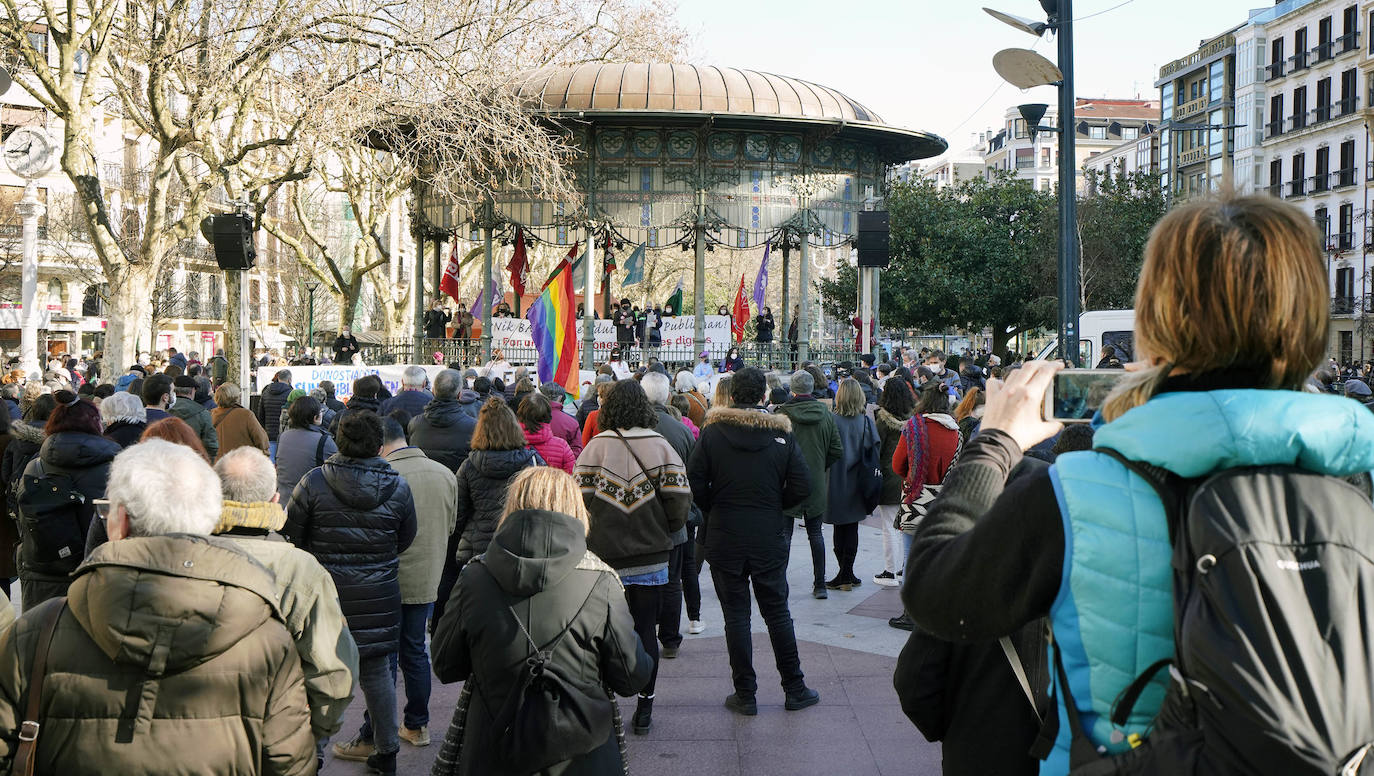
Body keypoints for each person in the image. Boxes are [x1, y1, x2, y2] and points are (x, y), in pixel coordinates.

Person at [904, 196, 1374, 774]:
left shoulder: (1075, 493)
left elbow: (935, 594)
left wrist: (996, 439)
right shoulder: (1359, 478)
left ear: (1156, 325)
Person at [0, 440, 317, 774]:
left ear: (118, 522)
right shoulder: (267, 639)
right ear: (208, 519)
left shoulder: (37, 632)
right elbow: (290, 763)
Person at [431, 467, 652, 776]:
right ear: (576, 510)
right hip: (584, 754)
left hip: (492, 748)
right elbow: (632, 677)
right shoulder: (601, 581)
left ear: (511, 508)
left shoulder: (474, 576)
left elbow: (445, 664)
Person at [284, 410, 417, 776]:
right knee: (377, 675)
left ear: (338, 440)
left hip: (325, 595)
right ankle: (386, 751)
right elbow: (405, 537)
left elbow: (293, 533)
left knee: (318, 673)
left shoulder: (313, 482)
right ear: (378, 444)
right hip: (379, 594)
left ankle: (314, 753)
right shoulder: (398, 486)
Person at [212, 448, 359, 765]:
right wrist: (314, 734)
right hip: (277, 738)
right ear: (275, 499)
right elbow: (333, 673)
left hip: (200, 742)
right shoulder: (301, 569)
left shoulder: (184, 553)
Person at [687, 367, 819, 716]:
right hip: (767, 533)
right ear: (763, 396)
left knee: (736, 616)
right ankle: (794, 687)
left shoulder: (713, 433)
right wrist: (776, 505)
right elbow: (803, 485)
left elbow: (694, 481)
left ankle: (745, 693)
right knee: (777, 612)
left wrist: (715, 505)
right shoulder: (780, 433)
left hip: (725, 532)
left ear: (732, 396)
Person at [575, 378, 691, 735]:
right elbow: (680, 501)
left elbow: (578, 500)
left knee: (599, 633)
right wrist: (663, 528)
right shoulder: (661, 446)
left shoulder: (595, 446)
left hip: (603, 559)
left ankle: (603, 703)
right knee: (645, 631)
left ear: (608, 408)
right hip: (651, 556)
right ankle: (645, 706)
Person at [365, 417, 457, 749]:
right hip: (427, 577)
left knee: (385, 657)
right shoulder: (445, 474)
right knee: (416, 650)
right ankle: (418, 725)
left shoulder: (382, 474)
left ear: (380, 445)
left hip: (386, 578)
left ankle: (378, 732)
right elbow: (450, 526)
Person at [436, 398, 542, 630]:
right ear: (514, 427)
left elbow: (457, 515)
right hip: (520, 547)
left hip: (478, 551)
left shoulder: (469, 466)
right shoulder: (532, 462)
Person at [15, 391, 120, 606]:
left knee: (44, 627)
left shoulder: (34, 466)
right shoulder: (115, 469)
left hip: (42, 572)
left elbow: (23, 518)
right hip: (95, 574)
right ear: (95, 425)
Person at [887, 380, 962, 630]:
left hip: (916, 501)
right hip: (944, 504)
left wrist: (915, 478)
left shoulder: (914, 427)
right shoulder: (956, 431)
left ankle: (910, 613)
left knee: (911, 557)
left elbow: (897, 465)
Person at [641, 372, 703, 652]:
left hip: (639, 512)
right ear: (667, 395)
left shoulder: (632, 428)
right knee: (673, 578)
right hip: (677, 514)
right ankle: (669, 638)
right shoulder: (681, 430)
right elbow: (693, 474)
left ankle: (643, 634)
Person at [773, 369, 842, 599]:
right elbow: (836, 449)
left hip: (788, 481)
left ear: (792, 390)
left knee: (785, 534)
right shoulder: (825, 414)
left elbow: (774, 450)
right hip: (815, 481)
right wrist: (820, 466)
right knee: (815, 533)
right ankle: (820, 584)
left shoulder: (783, 415)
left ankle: (780, 584)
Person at [825, 378, 878, 591]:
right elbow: (874, 450)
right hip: (858, 480)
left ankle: (844, 574)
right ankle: (848, 573)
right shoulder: (866, 422)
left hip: (835, 480)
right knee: (852, 528)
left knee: (839, 528)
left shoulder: (831, 421)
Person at [872, 379, 916, 587]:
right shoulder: (915, 420)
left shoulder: (882, 421)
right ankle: (904, 568)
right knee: (906, 526)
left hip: (889, 477)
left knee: (889, 526)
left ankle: (890, 571)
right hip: (910, 477)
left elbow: (877, 450)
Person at [408, 369, 478, 475]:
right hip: (455, 483)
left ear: (433, 391)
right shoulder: (473, 427)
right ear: (459, 395)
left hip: (422, 481)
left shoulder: (415, 424)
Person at [274, 395, 337, 503]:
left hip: (282, 500)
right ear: (315, 417)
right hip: (309, 503)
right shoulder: (324, 441)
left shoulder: (283, 436)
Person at [517, 392, 575, 474]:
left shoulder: (510, 445)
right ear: (548, 416)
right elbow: (570, 477)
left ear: (520, 414)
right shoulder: (562, 446)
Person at [169, 375, 219, 459]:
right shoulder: (203, 413)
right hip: (194, 460)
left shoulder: (165, 410)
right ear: (192, 391)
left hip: (169, 460)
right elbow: (211, 445)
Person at [539, 381, 584, 459]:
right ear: (560, 398)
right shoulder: (571, 422)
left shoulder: (528, 417)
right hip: (562, 464)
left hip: (534, 464)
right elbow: (577, 451)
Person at [256, 369, 294, 459]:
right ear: (289, 380)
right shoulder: (290, 393)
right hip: (286, 435)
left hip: (269, 434)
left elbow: (260, 414)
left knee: (270, 462)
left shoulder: (266, 392)